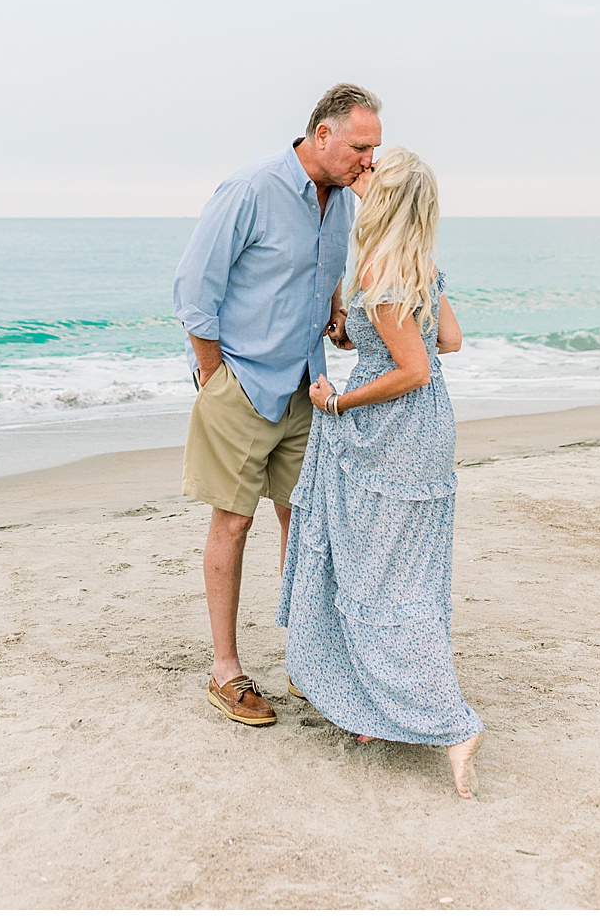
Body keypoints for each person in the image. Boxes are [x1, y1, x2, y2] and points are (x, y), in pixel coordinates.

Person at [171, 83, 381, 727]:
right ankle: (226, 672)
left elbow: (323, 272)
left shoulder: (342, 200)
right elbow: (192, 291)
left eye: (373, 149)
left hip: (306, 386)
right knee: (232, 522)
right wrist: (215, 377)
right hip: (241, 382)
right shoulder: (250, 189)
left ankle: (307, 661)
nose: (367, 161)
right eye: (359, 147)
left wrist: (338, 311)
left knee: (304, 522)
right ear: (321, 134)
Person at [278, 148, 485, 797]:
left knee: (375, 575)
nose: (357, 177)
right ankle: (377, 701)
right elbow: (446, 340)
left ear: (388, 199)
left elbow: (416, 367)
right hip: (427, 433)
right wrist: (362, 333)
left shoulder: (380, 267)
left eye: (370, 175)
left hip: (389, 435)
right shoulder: (418, 263)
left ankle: (448, 724)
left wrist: (338, 399)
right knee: (402, 574)